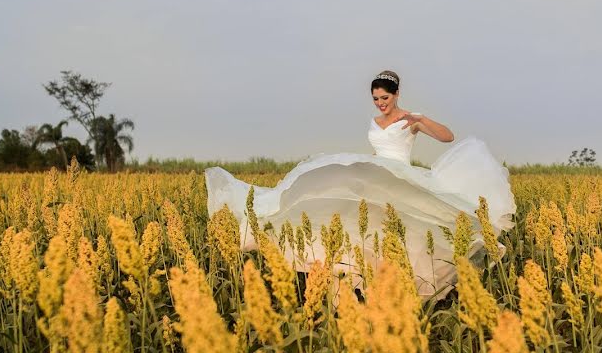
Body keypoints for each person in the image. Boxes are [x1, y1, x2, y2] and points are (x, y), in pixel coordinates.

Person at [204, 70, 516, 299]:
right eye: (376, 99)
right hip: (379, 173)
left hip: (401, 175)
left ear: (396, 94)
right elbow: (380, 151)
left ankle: (401, 287)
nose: (380, 103)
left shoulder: (411, 118)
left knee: (407, 228)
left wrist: (420, 118)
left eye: (385, 97)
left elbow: (448, 137)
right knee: (359, 221)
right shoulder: (374, 122)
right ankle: (365, 284)